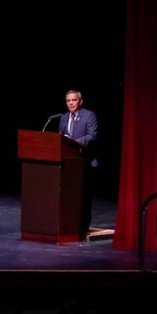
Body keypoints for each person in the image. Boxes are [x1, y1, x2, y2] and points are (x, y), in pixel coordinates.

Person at [60, 89, 100, 233]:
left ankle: (82, 228)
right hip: (68, 163)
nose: (71, 103)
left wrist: (74, 143)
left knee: (84, 197)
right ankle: (69, 226)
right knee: (68, 196)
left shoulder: (89, 115)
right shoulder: (63, 117)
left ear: (80, 101)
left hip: (85, 162)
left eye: (74, 100)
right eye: (68, 100)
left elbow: (92, 136)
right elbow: (61, 137)